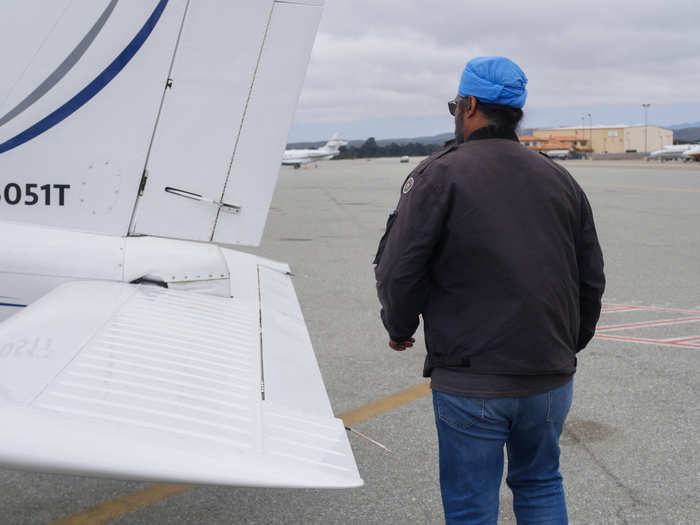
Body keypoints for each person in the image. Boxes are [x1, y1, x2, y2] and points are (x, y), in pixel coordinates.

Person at [373, 56, 605, 524]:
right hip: (549, 377)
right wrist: (565, 346)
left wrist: (399, 327)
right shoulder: (560, 178)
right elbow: (590, 277)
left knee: (470, 504)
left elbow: (400, 269)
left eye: (455, 105)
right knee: (540, 485)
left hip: (472, 378)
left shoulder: (439, 174)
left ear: (470, 105)